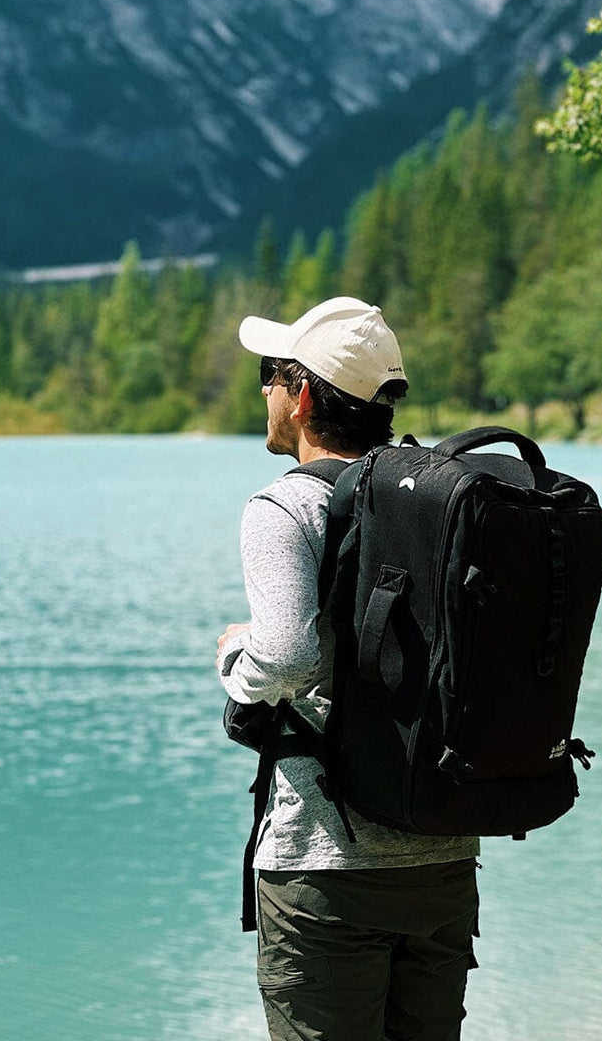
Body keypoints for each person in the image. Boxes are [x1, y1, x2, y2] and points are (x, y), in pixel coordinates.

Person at [216, 296, 480, 1041]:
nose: (263, 391)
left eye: (271, 376)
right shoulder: (434, 501)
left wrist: (237, 663)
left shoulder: (283, 507)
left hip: (325, 867)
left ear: (300, 398)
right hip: (441, 855)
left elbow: (291, 651)